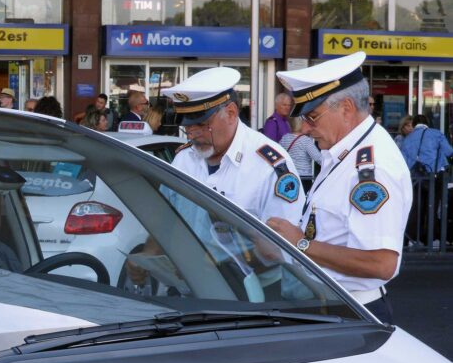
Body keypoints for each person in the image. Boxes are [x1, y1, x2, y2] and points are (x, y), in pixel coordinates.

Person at [125, 67, 305, 289]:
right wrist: (148, 257)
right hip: (191, 287)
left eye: (201, 125)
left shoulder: (270, 165)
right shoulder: (184, 159)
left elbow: (282, 248)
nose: (192, 134)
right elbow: (167, 218)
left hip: (253, 293)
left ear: (230, 113)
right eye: (187, 127)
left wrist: (214, 268)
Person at [267, 51, 413, 322]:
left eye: (312, 117)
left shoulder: (370, 167)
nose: (306, 129)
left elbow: (381, 263)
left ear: (346, 108)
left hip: (349, 312)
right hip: (332, 306)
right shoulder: (345, 152)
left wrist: (299, 243)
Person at [400, 114, 453, 245]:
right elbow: (449, 151)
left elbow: (404, 162)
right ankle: (431, 238)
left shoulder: (407, 139)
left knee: (416, 208)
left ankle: (411, 238)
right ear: (427, 123)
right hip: (434, 176)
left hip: (416, 178)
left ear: (414, 125)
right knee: (433, 207)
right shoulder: (436, 134)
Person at [279, 116, 322, 190]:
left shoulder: (284, 138)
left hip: (289, 176)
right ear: (301, 124)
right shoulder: (306, 141)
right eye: (306, 122)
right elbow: (318, 158)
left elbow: (279, 155)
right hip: (304, 178)